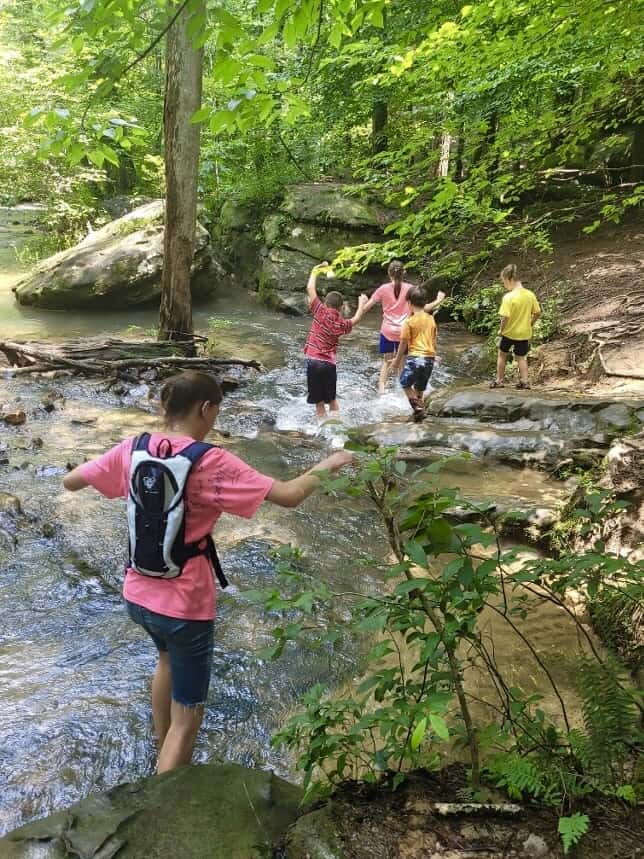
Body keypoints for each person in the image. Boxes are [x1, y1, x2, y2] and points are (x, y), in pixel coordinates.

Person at [62, 370, 353, 774]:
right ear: (205, 408)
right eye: (216, 410)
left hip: (137, 595)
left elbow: (71, 481)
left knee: (165, 659)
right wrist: (333, 462)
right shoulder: (210, 460)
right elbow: (288, 495)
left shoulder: (136, 447)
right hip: (184, 606)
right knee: (189, 718)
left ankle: (160, 749)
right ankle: (163, 804)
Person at [362, 260, 445, 393]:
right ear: (404, 273)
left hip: (387, 330)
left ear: (389, 273)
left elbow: (365, 309)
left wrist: (362, 303)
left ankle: (382, 389)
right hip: (405, 330)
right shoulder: (410, 289)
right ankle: (402, 390)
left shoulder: (382, 289)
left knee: (387, 361)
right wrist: (438, 300)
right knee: (402, 361)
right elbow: (423, 309)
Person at [304, 262, 369, 418]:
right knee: (332, 400)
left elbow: (310, 289)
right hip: (329, 365)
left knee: (319, 402)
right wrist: (362, 304)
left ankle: (322, 431)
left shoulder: (320, 311)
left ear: (326, 303)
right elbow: (356, 319)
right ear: (340, 308)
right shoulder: (341, 324)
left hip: (313, 362)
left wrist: (315, 271)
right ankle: (335, 430)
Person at [391, 286, 439, 421]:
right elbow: (433, 338)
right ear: (425, 303)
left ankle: (418, 408)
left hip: (415, 358)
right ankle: (420, 410)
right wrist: (435, 355)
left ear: (409, 303)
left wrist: (396, 360)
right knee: (420, 387)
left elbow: (403, 343)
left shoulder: (409, 322)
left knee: (404, 383)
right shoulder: (430, 319)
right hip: (429, 358)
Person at [491, 263, 541, 390]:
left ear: (510, 279)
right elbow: (537, 312)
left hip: (508, 333)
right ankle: (525, 381)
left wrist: (501, 330)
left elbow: (505, 317)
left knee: (502, 355)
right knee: (521, 358)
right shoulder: (530, 294)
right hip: (524, 333)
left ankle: (500, 380)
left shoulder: (509, 297)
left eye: (504, 282)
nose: (504, 285)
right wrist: (530, 323)